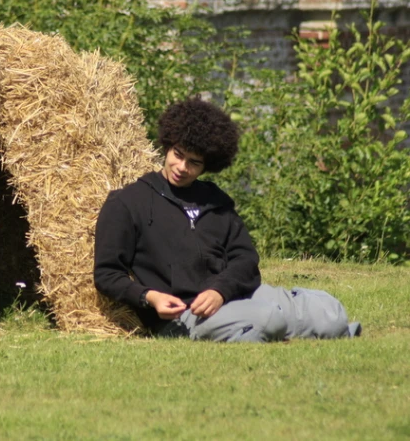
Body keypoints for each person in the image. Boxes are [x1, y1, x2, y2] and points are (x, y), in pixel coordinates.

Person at [94, 98, 361, 342]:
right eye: (178, 154)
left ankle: (294, 326)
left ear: (208, 165)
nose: (182, 167)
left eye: (194, 162)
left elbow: (245, 259)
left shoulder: (216, 200)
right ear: (167, 146)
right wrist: (149, 297)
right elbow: (107, 274)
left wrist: (220, 291)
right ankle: (271, 327)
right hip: (185, 315)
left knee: (330, 315)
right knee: (269, 319)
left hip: (235, 294)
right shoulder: (127, 202)